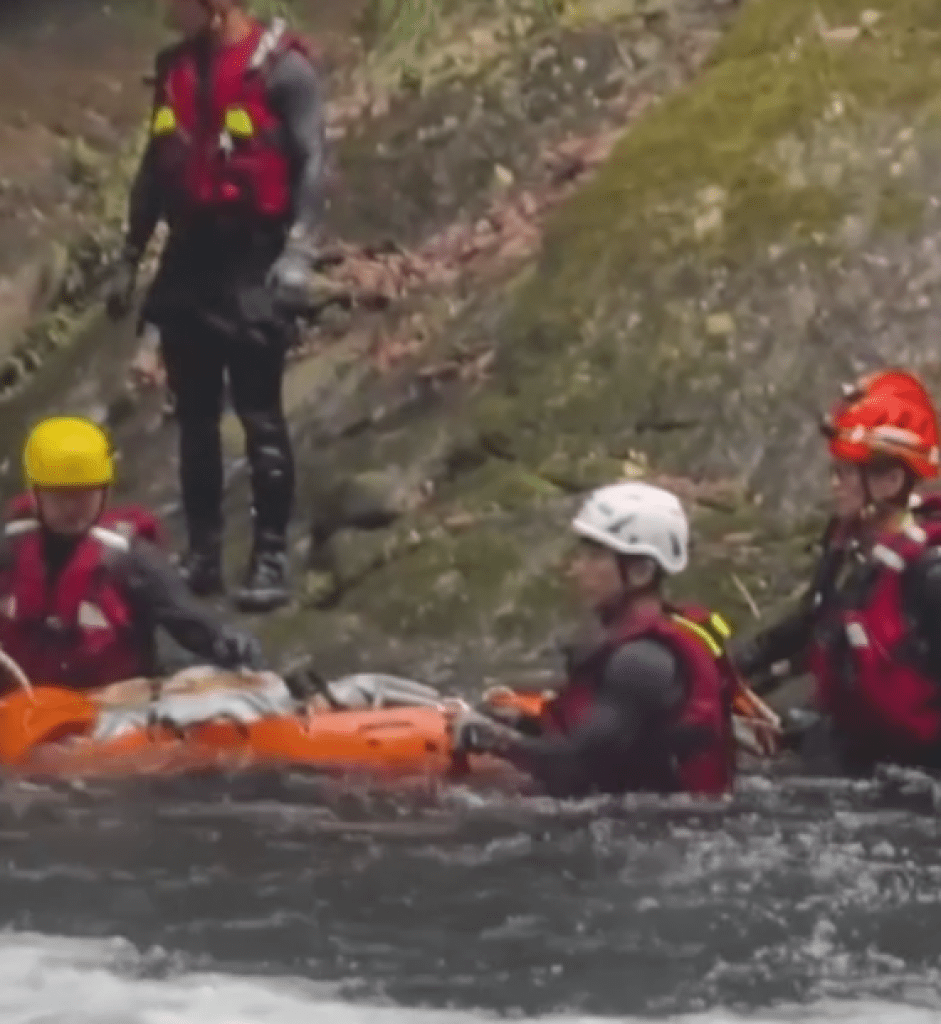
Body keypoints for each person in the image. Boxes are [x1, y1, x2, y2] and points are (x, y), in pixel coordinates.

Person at [104, 0, 326, 612]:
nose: (166, 12)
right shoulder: (173, 68)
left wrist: (300, 251)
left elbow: (311, 161)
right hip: (189, 258)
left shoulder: (284, 70)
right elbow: (154, 171)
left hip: (253, 256)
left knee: (259, 415)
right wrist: (130, 255)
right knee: (195, 417)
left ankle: (271, 557)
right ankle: (203, 555)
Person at [456, 481, 736, 797]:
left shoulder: (642, 662)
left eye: (594, 555)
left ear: (641, 571)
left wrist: (488, 739)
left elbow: (575, 770)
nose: (576, 568)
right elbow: (601, 740)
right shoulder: (631, 643)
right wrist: (521, 723)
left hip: (656, 830)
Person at [731, 368, 941, 773]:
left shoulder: (929, 575)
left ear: (891, 479)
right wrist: (724, 671)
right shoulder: (850, 552)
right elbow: (809, 625)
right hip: (857, 749)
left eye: (845, 473)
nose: (834, 486)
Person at [0, 416, 265, 692]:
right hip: (23, 712)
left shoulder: (133, 562)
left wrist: (236, 648)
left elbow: (192, 624)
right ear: (34, 493)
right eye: (60, 496)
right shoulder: (8, 551)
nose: (72, 508)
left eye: (84, 495)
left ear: (105, 492)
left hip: (113, 712)